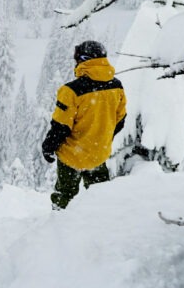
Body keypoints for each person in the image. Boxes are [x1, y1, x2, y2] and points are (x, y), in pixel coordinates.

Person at [41, 40, 127, 210]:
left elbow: (61, 127)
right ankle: (99, 225)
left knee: (64, 197)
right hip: (98, 154)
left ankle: (57, 226)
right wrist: (101, 137)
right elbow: (120, 120)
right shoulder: (116, 87)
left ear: (83, 60)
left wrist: (48, 147)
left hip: (72, 155)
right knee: (100, 196)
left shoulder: (71, 91)